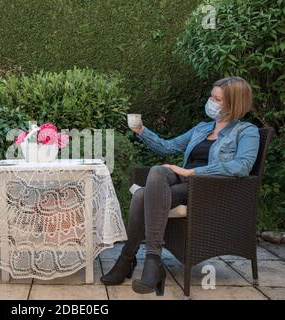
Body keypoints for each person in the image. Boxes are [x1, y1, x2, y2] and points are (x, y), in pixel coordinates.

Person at [100, 76, 260, 296]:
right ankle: (152, 260)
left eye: (217, 99)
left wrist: (191, 171)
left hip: (208, 188)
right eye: (211, 96)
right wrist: (141, 131)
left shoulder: (246, 131)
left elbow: (242, 167)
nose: (211, 101)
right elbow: (168, 147)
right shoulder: (202, 128)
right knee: (157, 170)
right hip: (183, 182)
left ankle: (128, 260)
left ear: (234, 103)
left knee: (140, 196)